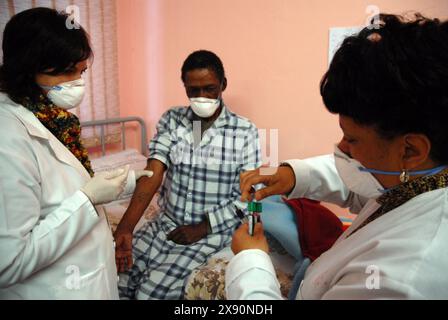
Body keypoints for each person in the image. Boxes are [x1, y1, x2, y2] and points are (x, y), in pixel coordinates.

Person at [226, 13, 448, 299]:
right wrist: (293, 175)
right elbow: (370, 189)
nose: (341, 148)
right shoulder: (422, 178)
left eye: (352, 138)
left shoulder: (404, 277)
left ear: (411, 150)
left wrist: (250, 261)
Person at [0, 7, 151, 299]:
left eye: (81, 71)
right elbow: (9, 262)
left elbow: (58, 189)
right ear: (28, 67)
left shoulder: (53, 122)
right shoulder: (8, 136)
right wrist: (88, 199)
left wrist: (117, 185)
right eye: (69, 71)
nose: (79, 83)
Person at [116, 50, 261, 299]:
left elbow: (252, 197)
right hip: (166, 222)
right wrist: (125, 228)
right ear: (184, 88)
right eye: (193, 90)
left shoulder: (244, 131)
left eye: (209, 88)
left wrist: (203, 227)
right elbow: (153, 173)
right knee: (117, 279)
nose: (201, 97)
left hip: (211, 230)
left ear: (223, 85)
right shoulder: (173, 120)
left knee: (151, 293)